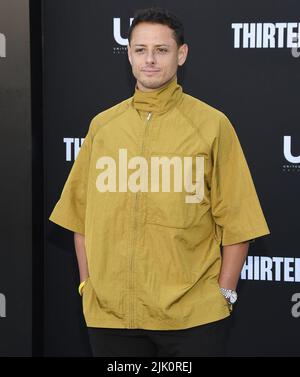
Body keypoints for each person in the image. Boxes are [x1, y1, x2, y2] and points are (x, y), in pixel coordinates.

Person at [49, 7, 270, 357]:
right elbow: (80, 218)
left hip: (192, 319)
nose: (149, 59)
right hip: (110, 319)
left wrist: (224, 293)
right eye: (140, 50)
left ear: (181, 54)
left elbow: (239, 221)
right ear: (129, 55)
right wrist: (87, 286)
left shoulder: (212, 125)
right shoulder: (102, 127)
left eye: (161, 50)